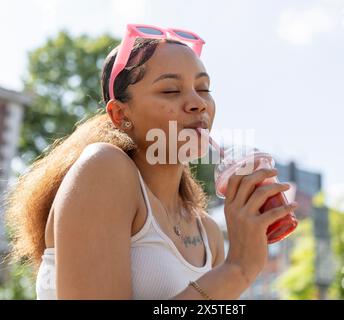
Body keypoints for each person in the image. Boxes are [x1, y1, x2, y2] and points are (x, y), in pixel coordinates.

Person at [5, 26, 297, 300]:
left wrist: (238, 261)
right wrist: (238, 270)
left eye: (203, 89)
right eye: (170, 90)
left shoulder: (209, 234)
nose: (198, 103)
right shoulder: (102, 168)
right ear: (120, 115)